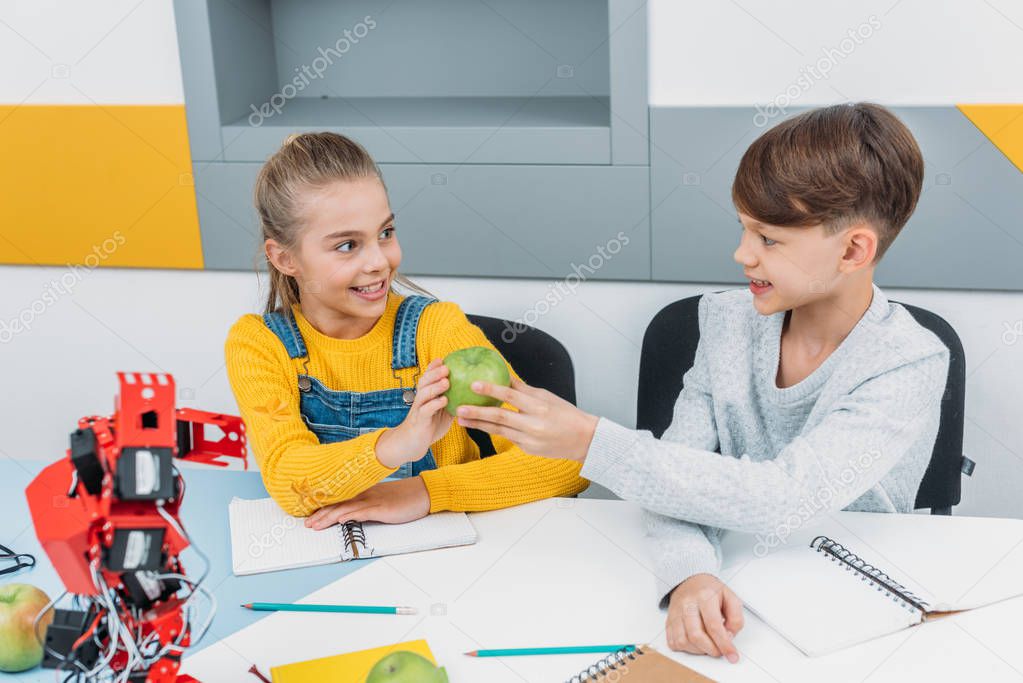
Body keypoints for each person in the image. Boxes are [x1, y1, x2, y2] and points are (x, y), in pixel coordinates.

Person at [455, 103, 950, 664]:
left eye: (769, 239)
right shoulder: (725, 322)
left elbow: (787, 496)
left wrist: (591, 442)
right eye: (743, 228)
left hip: (851, 612)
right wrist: (689, 573)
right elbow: (675, 471)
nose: (742, 254)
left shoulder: (908, 361)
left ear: (853, 250)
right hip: (734, 593)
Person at [225, 132, 587, 531]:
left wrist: (426, 492)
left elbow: (570, 460)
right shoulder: (259, 344)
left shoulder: (436, 328)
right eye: (347, 246)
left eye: (385, 233)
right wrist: (396, 445)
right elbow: (289, 481)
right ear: (285, 258)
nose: (380, 261)